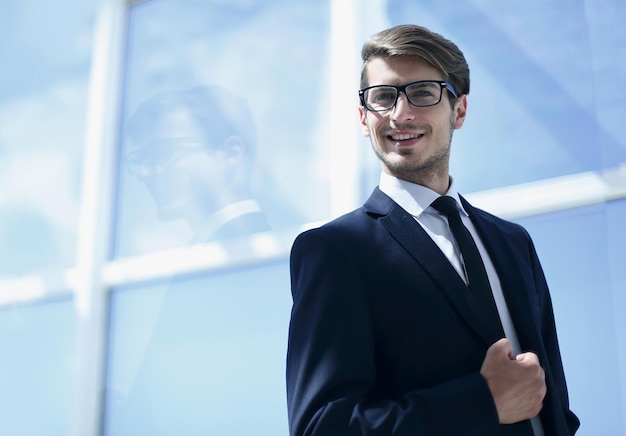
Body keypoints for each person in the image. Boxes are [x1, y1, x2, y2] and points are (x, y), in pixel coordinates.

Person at [286, 24, 580, 435]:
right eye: (383, 97)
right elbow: (322, 427)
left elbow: (552, 404)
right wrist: (481, 402)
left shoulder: (513, 243)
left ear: (458, 111)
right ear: (362, 116)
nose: (400, 114)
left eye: (422, 93)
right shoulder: (335, 251)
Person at [125, 85, 271, 243]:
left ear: (230, 154)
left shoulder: (253, 253)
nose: (144, 173)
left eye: (161, 151)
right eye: (140, 158)